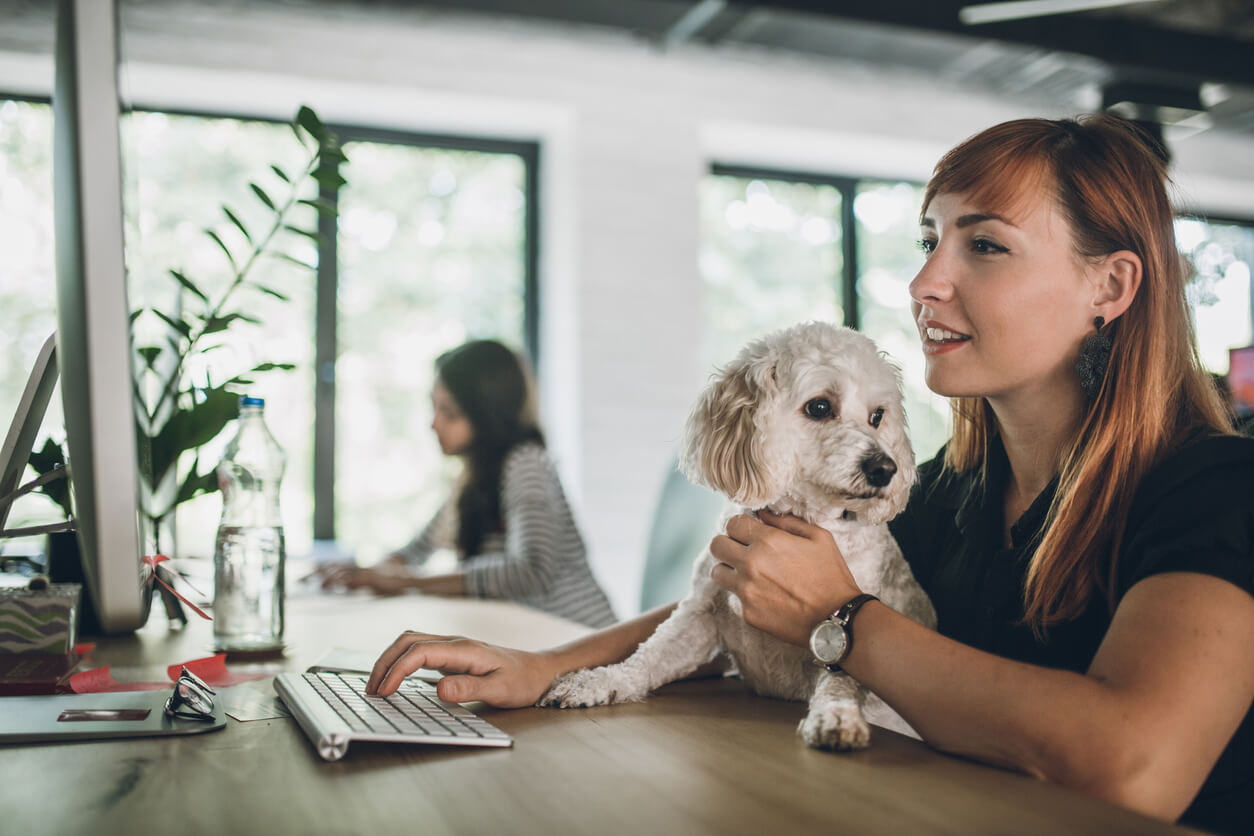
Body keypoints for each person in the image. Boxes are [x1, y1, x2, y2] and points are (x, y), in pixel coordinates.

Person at [364, 116, 1254, 835]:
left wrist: (844, 618)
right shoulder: (955, 483)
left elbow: (1135, 769)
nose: (924, 282)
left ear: (1112, 286)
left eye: (983, 246)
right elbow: (753, 589)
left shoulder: (1213, 487)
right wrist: (545, 666)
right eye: (929, 239)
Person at [321, 339, 617, 629]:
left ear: (486, 415)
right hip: (537, 637)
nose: (434, 424)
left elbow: (531, 571)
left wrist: (408, 582)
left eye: (449, 413)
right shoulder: (473, 478)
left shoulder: (526, 464)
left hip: (582, 637)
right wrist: (365, 575)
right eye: (434, 407)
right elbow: (417, 550)